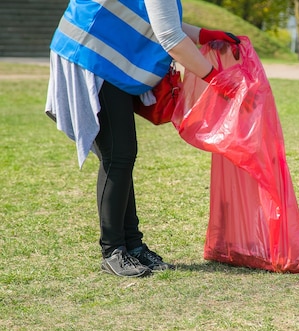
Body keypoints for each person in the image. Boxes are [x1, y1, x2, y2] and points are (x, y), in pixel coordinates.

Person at [45, 0, 241, 277]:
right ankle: (113, 251)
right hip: (91, 56)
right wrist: (216, 78)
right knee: (119, 156)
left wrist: (202, 35)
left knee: (121, 156)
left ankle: (133, 246)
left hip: (103, 57)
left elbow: (159, 20)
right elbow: (170, 37)